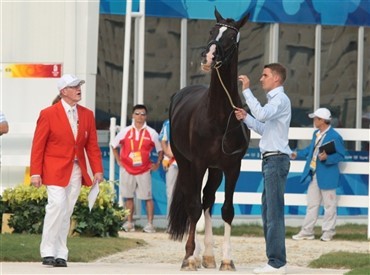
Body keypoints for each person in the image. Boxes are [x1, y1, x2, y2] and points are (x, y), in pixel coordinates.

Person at [30, 74, 104, 268]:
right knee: (57, 205)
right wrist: (35, 172)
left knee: (66, 211)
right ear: (63, 92)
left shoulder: (87, 114)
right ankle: (47, 251)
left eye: (79, 85)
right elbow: (38, 145)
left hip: (77, 170)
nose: (79, 88)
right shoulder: (48, 113)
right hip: (54, 169)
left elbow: (92, 146)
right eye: (73, 86)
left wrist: (97, 170)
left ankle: (61, 253)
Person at [234, 63, 291, 274]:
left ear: (276, 78)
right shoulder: (275, 101)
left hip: (275, 161)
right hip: (271, 160)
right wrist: (246, 117)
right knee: (268, 212)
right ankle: (274, 261)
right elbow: (264, 128)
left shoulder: (280, 100)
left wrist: (246, 90)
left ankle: (277, 263)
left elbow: (263, 115)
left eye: (265, 75)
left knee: (273, 214)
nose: (261, 79)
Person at [291, 108, 345, 242]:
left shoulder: (335, 136)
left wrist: (327, 158)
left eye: (315, 119)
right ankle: (307, 231)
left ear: (322, 120)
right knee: (312, 204)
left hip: (328, 175)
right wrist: (297, 154)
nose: (314, 121)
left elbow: (340, 155)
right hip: (314, 174)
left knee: (329, 205)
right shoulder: (316, 133)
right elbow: (311, 150)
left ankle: (328, 232)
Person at [111, 104, 163, 233]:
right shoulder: (125, 131)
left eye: (143, 114)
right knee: (128, 197)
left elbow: (160, 150)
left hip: (144, 169)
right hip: (127, 169)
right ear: (132, 116)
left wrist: (157, 164)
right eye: (137, 113)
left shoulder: (152, 133)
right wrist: (118, 160)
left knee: (147, 197)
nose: (140, 117)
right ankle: (129, 223)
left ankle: (150, 224)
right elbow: (113, 145)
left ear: (146, 116)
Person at [158, 118, 178, 216]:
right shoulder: (168, 122)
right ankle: (171, 222)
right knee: (171, 192)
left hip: (187, 163)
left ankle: (185, 223)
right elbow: (162, 139)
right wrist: (167, 153)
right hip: (172, 162)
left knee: (186, 193)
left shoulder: (190, 119)